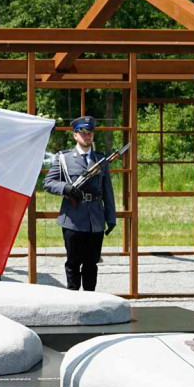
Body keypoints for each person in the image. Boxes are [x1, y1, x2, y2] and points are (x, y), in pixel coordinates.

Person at [42, 115, 117, 291]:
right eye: (83, 133)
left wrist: (110, 217)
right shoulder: (64, 158)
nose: (87, 136)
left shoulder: (101, 160)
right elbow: (48, 183)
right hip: (73, 219)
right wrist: (66, 188)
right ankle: (74, 299)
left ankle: (91, 300)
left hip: (95, 220)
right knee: (73, 263)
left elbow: (108, 190)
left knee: (91, 263)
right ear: (75, 135)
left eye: (90, 133)